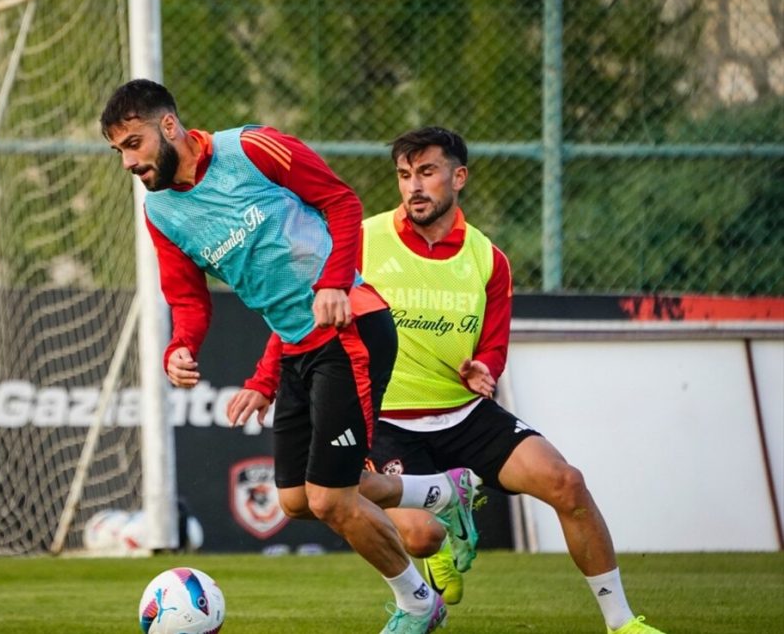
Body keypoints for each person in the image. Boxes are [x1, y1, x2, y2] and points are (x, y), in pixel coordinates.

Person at [230, 126, 666, 634]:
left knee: (567, 483)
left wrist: (486, 367)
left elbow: (493, 344)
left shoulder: (488, 259)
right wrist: (264, 380)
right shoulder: (361, 240)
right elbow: (299, 315)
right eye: (404, 175)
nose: (414, 186)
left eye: (428, 172)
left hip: (463, 412)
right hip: (388, 418)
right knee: (420, 538)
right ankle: (442, 510)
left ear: (459, 177)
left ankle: (622, 622)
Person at [100, 79, 476, 633]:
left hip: (351, 330)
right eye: (118, 151)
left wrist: (334, 285)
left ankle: (419, 604)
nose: (129, 161)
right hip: (297, 347)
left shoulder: (252, 148)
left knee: (332, 500)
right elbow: (187, 297)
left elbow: (342, 202)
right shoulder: (162, 213)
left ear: (169, 127)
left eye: (134, 143)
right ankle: (448, 491)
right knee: (297, 499)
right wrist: (181, 347)